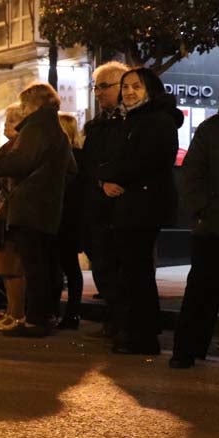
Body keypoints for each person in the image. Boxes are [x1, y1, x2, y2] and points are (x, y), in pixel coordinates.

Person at [99, 67, 182, 356]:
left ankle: (142, 335)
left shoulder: (158, 121)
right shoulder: (129, 120)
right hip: (128, 205)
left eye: (137, 86)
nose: (129, 92)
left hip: (144, 206)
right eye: (125, 87)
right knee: (131, 270)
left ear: (151, 89)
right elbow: (109, 158)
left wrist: (113, 176)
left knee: (137, 271)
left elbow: (145, 161)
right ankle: (135, 330)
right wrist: (105, 179)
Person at [0, 83, 73, 338]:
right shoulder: (56, 131)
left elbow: (19, 161)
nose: (21, 110)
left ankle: (36, 320)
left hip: (30, 206)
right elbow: (70, 171)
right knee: (43, 264)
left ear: (35, 105)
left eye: (23, 105)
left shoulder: (36, 128)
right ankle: (42, 316)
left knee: (34, 266)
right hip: (46, 206)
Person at [80, 61, 127, 336]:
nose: (98, 92)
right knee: (103, 264)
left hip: (122, 206)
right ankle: (113, 315)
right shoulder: (97, 126)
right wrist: (100, 181)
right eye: (95, 87)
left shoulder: (131, 122)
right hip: (97, 205)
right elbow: (89, 163)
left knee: (122, 266)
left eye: (104, 87)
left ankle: (122, 319)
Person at [171, 113, 219, 368]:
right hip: (213, 225)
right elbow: (192, 174)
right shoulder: (211, 129)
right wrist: (202, 211)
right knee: (201, 290)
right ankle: (187, 349)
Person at [52, 112, 85, 329]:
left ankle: (68, 312)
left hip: (65, 218)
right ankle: (70, 312)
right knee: (68, 266)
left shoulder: (69, 157)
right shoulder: (78, 156)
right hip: (71, 217)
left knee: (65, 266)